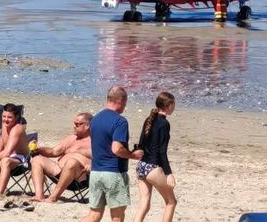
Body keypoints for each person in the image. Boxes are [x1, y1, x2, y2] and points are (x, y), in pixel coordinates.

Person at [82, 86, 144, 222]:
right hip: (114, 173)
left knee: (94, 215)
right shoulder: (120, 121)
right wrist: (133, 155)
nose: (125, 107)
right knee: (117, 216)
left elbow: (96, 145)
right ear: (120, 101)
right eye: (125, 103)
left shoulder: (94, 120)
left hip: (96, 172)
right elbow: (116, 149)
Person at [29, 112, 92, 203]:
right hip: (59, 172)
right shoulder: (71, 139)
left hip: (79, 177)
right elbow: (53, 151)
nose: (74, 126)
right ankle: (39, 195)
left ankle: (53, 197)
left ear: (87, 125)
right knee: (37, 159)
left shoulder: (96, 141)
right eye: (74, 123)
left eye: (77, 124)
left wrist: (92, 166)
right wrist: (38, 149)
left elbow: (104, 159)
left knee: (72, 162)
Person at [132, 92, 177, 222]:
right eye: (174, 104)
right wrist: (169, 173)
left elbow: (140, 144)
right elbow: (162, 152)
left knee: (144, 205)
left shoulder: (149, 119)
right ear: (169, 105)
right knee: (171, 202)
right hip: (152, 168)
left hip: (141, 166)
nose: (174, 107)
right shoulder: (164, 124)